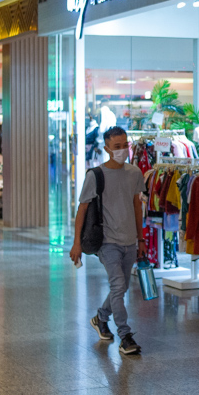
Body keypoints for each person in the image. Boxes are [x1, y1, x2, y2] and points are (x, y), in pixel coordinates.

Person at [70, 126, 147, 355]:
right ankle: (125, 336)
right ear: (106, 149)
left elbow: (137, 206)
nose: (122, 150)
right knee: (118, 286)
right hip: (107, 242)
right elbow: (82, 209)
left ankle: (101, 317)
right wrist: (76, 243)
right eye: (117, 146)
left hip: (129, 241)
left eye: (125, 145)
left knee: (120, 287)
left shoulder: (134, 173)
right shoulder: (95, 175)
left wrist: (141, 238)